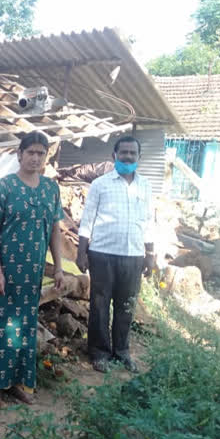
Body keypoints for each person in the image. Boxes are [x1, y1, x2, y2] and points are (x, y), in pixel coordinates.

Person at [0, 131, 65, 408]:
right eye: (31, 152)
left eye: (41, 153)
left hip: (32, 275)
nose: (35, 157)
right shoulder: (3, 188)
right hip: (4, 274)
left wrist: (60, 269)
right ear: (19, 154)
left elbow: (55, 231)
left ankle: (16, 384)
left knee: (24, 329)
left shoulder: (51, 189)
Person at [76, 135, 154, 374]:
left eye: (133, 153)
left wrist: (150, 253)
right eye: (124, 153)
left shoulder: (145, 185)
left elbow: (149, 221)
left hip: (133, 255)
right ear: (114, 156)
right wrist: (81, 252)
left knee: (126, 306)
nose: (128, 157)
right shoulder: (100, 184)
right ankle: (99, 353)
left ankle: (121, 352)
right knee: (100, 305)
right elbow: (87, 219)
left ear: (139, 157)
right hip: (102, 253)